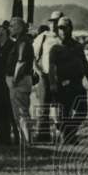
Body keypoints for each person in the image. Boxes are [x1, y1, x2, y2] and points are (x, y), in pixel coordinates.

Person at [48, 16, 88, 144]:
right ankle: (69, 137)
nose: (61, 30)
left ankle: (68, 133)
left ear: (70, 28)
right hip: (63, 85)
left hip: (77, 84)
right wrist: (52, 84)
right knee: (65, 114)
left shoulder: (78, 46)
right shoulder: (55, 48)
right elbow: (51, 68)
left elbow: (85, 64)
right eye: (59, 28)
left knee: (82, 110)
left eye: (63, 27)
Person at [32, 11, 63, 141]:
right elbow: (33, 55)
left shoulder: (64, 38)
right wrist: (38, 71)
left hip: (61, 78)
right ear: (49, 23)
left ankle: (63, 134)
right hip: (44, 76)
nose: (54, 25)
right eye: (53, 22)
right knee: (44, 107)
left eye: (58, 22)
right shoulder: (43, 37)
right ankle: (42, 135)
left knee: (61, 108)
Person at [6, 17, 35, 144]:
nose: (9, 28)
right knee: (20, 113)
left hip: (20, 81)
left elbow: (21, 62)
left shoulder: (23, 42)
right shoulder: (21, 41)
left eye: (12, 26)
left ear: (20, 27)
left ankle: (27, 142)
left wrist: (15, 80)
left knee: (21, 113)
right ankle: (26, 141)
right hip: (21, 80)